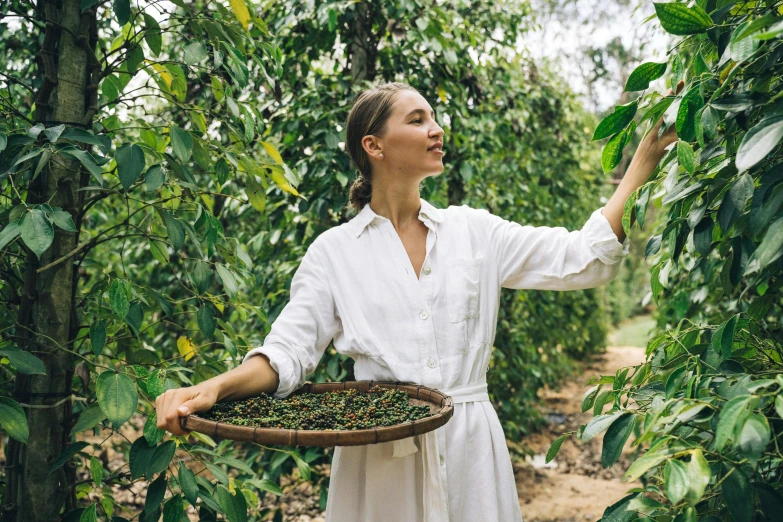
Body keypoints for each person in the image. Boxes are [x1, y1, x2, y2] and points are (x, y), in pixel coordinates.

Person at [156, 80, 685, 521]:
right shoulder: (334, 253)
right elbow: (286, 355)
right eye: (416, 119)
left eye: (433, 117)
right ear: (375, 146)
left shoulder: (475, 232)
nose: (435, 130)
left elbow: (583, 258)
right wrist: (213, 387)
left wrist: (640, 165)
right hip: (378, 457)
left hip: (470, 442)